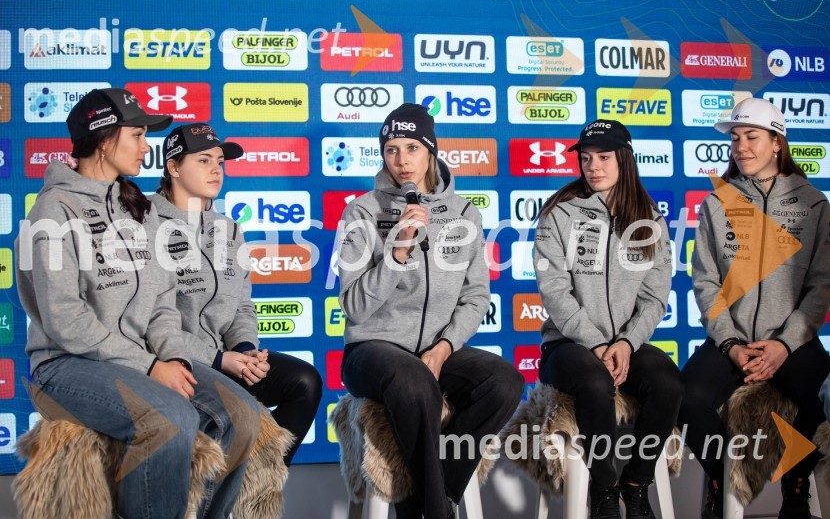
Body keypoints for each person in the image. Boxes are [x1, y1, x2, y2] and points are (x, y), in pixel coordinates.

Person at [16, 89, 260, 519]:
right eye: (137, 135)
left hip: (137, 359)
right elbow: (66, 321)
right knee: (170, 419)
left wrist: (175, 357)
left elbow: (162, 301)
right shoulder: (53, 210)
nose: (146, 147)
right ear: (103, 138)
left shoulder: (136, 209)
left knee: (243, 416)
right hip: (65, 364)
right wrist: (149, 367)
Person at [337, 103, 524, 519]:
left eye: (412, 148)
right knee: (414, 380)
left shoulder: (464, 213)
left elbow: (476, 296)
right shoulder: (361, 212)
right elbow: (354, 306)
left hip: (437, 349)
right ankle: (436, 510)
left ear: (431, 151)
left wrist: (444, 347)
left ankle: (437, 496)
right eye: (391, 149)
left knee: (504, 381)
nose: (401, 160)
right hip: (371, 350)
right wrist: (397, 251)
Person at [678, 98, 830, 519]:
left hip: (792, 341)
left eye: (751, 137)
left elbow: (821, 285)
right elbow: (706, 282)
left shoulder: (813, 204)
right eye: (735, 138)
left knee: (821, 399)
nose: (740, 146)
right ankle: (721, 481)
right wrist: (730, 344)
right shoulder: (717, 203)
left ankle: (796, 491)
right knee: (686, 398)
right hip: (732, 340)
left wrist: (785, 344)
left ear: (777, 142)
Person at [533, 120, 682, 519]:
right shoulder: (559, 214)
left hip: (626, 343)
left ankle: (636, 485)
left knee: (668, 383)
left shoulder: (650, 220)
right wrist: (597, 344)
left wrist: (627, 343)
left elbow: (654, 297)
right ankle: (604, 492)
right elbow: (555, 292)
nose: (593, 166)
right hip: (567, 345)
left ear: (624, 159)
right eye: (586, 158)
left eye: (603, 157)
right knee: (594, 383)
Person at [150, 122, 322, 465]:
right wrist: (218, 360)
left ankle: (260, 480)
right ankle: (228, 486)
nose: (216, 170)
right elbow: (149, 322)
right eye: (203, 161)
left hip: (226, 358)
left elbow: (241, 304)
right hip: (174, 362)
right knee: (235, 407)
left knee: (305, 382)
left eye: (220, 162)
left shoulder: (229, 229)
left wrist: (246, 351)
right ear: (173, 167)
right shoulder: (145, 224)